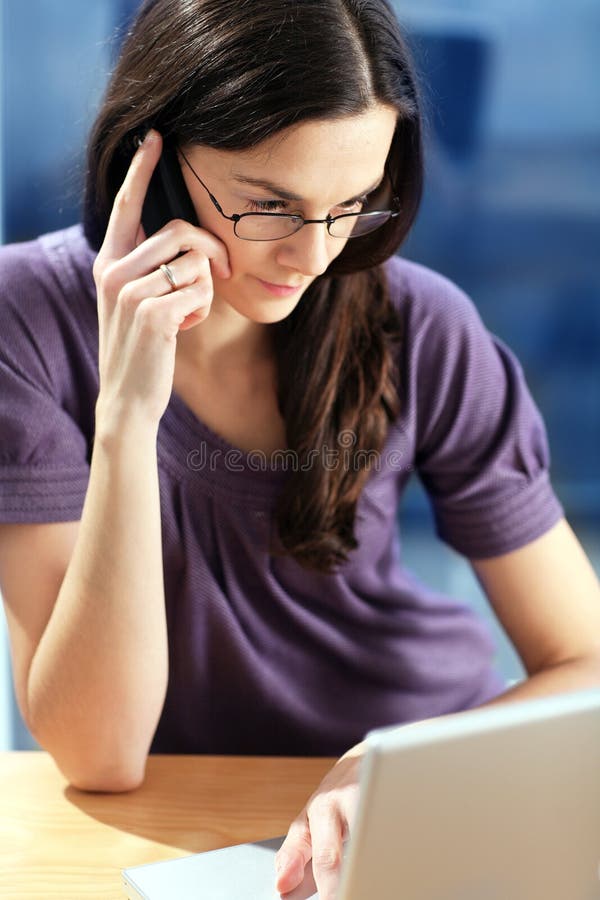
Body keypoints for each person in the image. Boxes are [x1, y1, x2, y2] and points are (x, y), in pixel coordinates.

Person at [0, 0, 599, 897]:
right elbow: (101, 756)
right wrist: (127, 417)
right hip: (188, 827)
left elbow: (585, 666)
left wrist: (400, 762)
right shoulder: (28, 322)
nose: (312, 256)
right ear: (149, 156)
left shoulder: (421, 325)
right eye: (268, 206)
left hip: (415, 797)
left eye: (351, 206)